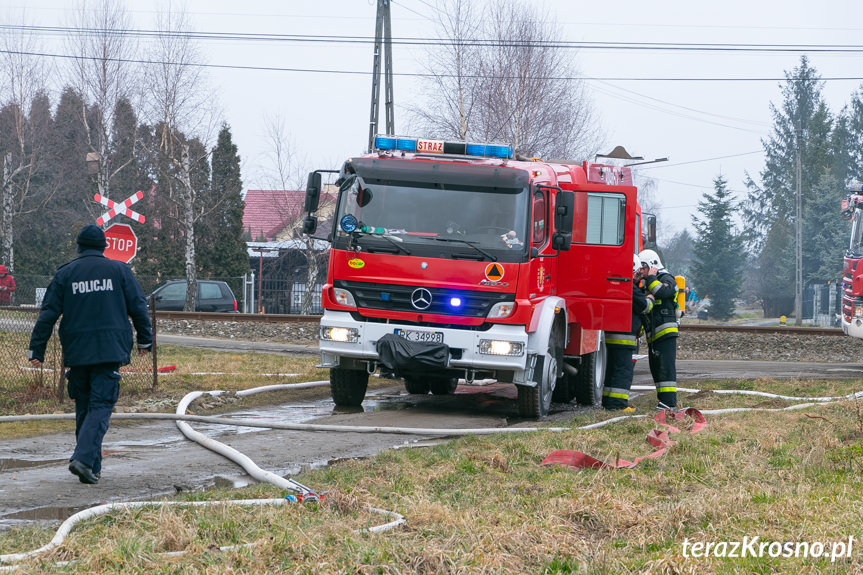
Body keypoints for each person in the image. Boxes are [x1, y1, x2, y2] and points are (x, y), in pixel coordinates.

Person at [28, 224, 152, 485]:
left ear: (79, 246)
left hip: (77, 351)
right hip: (109, 351)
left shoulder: (66, 274)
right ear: (103, 246)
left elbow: (48, 314)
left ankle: (90, 469)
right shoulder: (119, 271)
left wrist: (36, 349)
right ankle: (84, 460)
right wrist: (145, 341)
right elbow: (139, 307)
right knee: (100, 405)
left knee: (84, 406)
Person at [601, 254, 654, 412]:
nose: (638, 275)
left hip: (612, 335)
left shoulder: (615, 283)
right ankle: (619, 405)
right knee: (623, 370)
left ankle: (609, 402)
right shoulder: (628, 286)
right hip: (625, 337)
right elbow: (645, 306)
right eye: (636, 272)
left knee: (612, 369)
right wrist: (650, 298)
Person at [638, 249, 679, 410]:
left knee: (666, 368)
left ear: (653, 265)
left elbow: (661, 291)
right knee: (656, 368)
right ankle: (663, 401)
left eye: (643, 267)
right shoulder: (649, 282)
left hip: (665, 332)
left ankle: (669, 403)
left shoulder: (667, 278)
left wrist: (652, 276)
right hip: (655, 334)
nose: (641, 271)